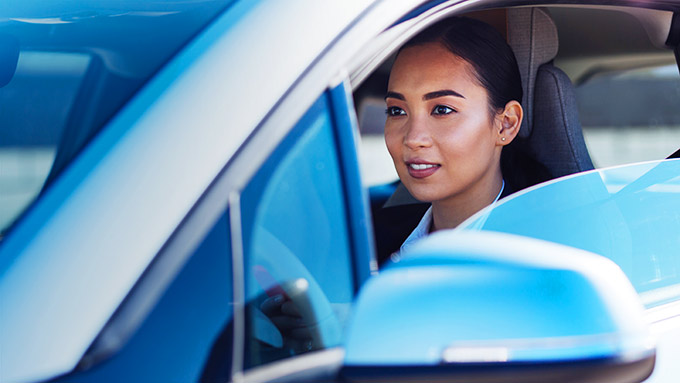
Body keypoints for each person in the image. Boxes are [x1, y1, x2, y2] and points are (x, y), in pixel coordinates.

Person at [383, 17, 524, 253]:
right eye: (397, 111)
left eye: (442, 110)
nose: (413, 138)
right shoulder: (368, 243)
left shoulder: (544, 253)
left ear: (506, 125)